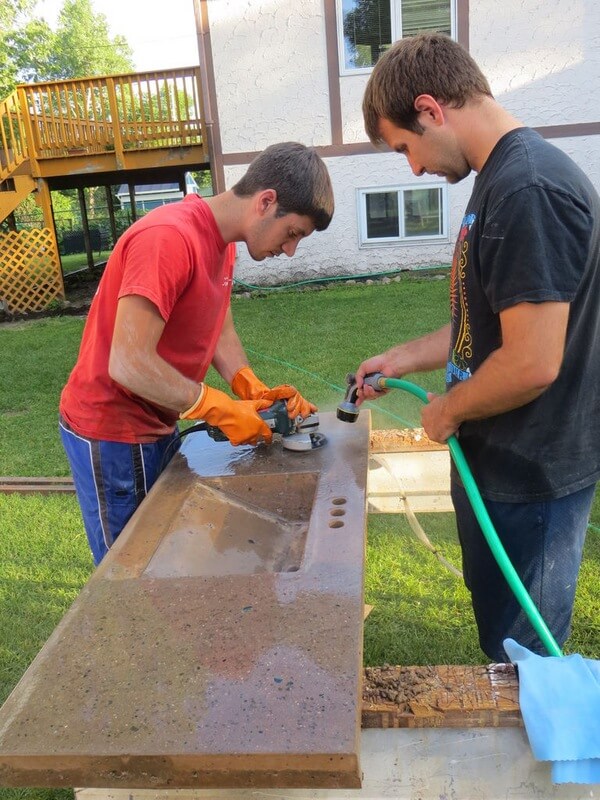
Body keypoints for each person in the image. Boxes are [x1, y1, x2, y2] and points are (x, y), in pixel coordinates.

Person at [354, 34, 600, 661]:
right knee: (501, 647)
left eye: (405, 147)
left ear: (432, 109)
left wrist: (450, 410)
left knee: (524, 667)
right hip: (497, 468)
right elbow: (485, 326)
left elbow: (532, 361)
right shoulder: (500, 181)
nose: (411, 168)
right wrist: (403, 357)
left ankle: (544, 762)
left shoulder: (527, 190)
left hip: (531, 479)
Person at [59, 141, 334, 566]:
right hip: (112, 429)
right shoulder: (167, 239)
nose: (290, 249)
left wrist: (246, 383)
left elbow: (217, 323)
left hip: (157, 417)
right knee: (131, 570)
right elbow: (128, 363)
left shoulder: (223, 243)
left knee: (165, 553)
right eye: (293, 233)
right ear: (266, 202)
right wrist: (215, 406)